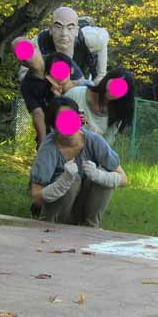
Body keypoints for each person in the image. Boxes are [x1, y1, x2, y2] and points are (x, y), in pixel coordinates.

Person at [29, 97, 127, 227]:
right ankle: (53, 224)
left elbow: (123, 179)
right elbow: (36, 197)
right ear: (53, 126)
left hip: (83, 208)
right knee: (73, 179)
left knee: (104, 173)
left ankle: (90, 227)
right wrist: (63, 182)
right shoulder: (48, 148)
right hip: (56, 211)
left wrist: (98, 175)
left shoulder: (95, 141)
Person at [18, 7, 109, 86]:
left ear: (76, 30)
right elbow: (23, 75)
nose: (64, 34)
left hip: (83, 72)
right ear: (51, 29)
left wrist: (101, 74)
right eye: (58, 27)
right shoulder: (39, 42)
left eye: (70, 28)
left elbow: (104, 36)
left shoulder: (90, 38)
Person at [16, 49, 84, 149]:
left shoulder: (84, 87)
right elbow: (39, 114)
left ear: (71, 70)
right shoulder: (46, 95)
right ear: (48, 76)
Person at [62, 67, 135, 146]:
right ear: (107, 78)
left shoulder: (116, 114)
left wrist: (88, 130)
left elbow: (104, 146)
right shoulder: (76, 94)